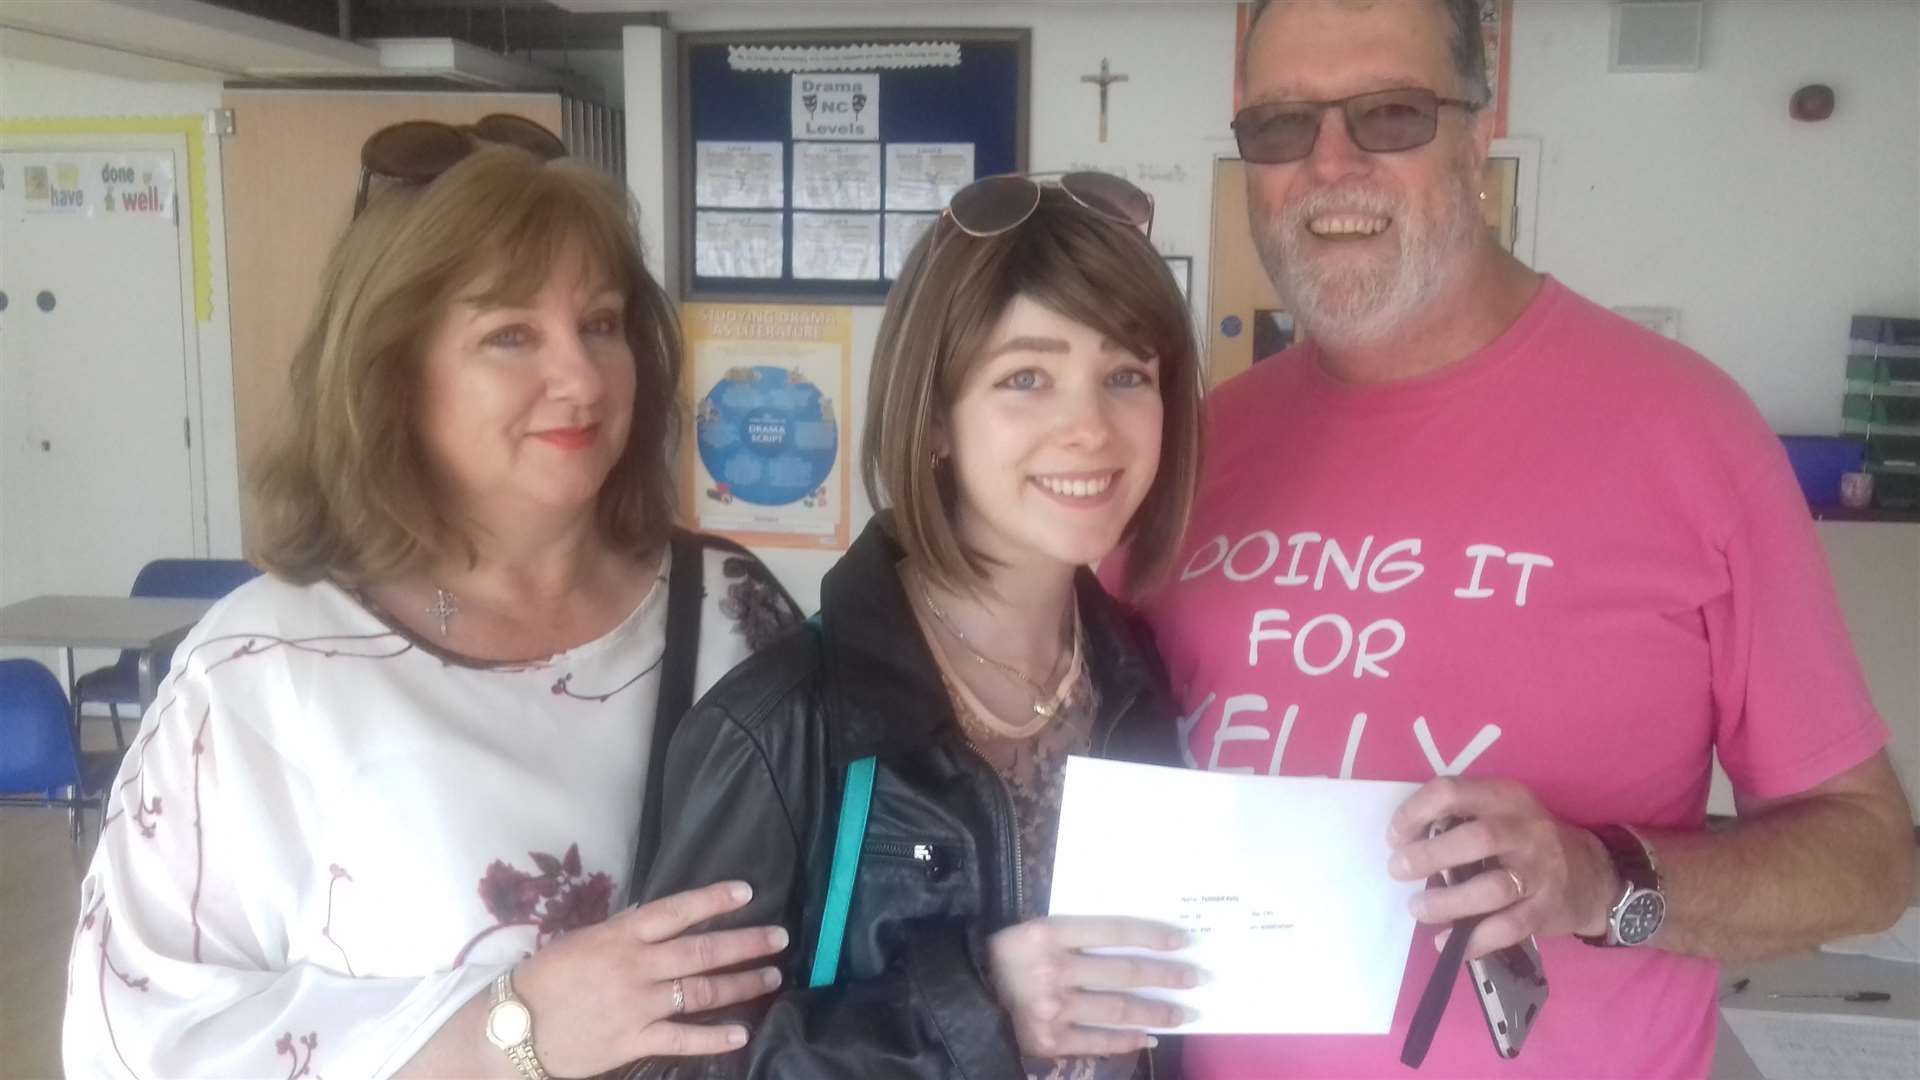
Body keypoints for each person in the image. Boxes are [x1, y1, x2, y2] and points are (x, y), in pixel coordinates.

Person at [1116, 1, 1917, 1076]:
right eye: (1280, 126)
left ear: (1479, 128)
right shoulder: (1195, 446)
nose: (1328, 162)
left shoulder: (1684, 431)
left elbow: (1868, 857)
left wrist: (1602, 886)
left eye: (1391, 113)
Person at [63, 118, 802, 1080]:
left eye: (601, 324)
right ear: (395, 371)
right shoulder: (264, 674)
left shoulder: (733, 607)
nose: (579, 378)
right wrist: (512, 1029)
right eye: (510, 335)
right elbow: (132, 1041)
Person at [631, 173, 1206, 1079]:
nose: (1091, 428)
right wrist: (976, 1012)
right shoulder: (778, 729)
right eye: (1027, 377)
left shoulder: (1142, 680)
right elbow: (662, 1069)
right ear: (936, 419)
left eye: (1126, 375)